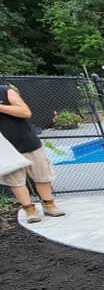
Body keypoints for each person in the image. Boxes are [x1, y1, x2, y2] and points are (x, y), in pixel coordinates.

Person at [0, 84, 65, 223]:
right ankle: (29, 210)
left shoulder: (5, 92)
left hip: (27, 141)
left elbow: (25, 112)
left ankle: (49, 205)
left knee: (41, 174)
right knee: (15, 180)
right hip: (4, 149)